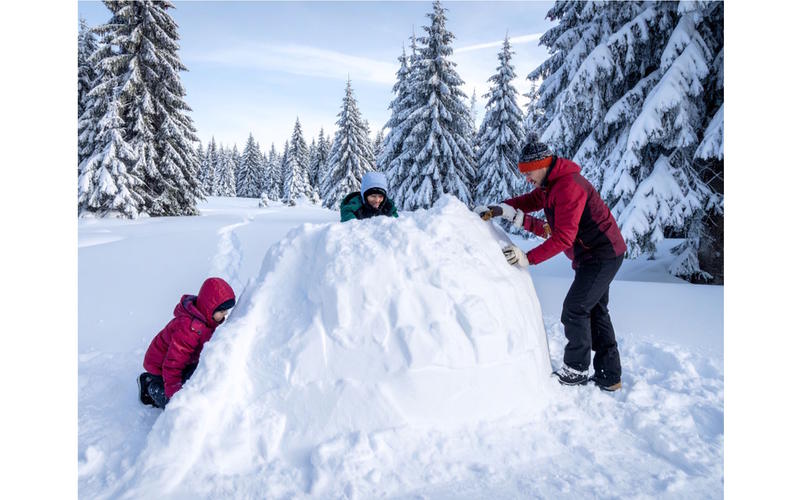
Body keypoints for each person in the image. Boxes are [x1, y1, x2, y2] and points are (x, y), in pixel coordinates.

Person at [475, 139, 627, 391]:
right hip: (592, 255)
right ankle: (609, 376)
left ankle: (576, 369)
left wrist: (528, 258)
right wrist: (501, 208)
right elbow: (529, 202)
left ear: (542, 165)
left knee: (575, 309)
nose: (527, 178)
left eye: (529, 172)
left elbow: (563, 236)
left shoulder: (568, 187)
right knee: (595, 311)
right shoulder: (551, 186)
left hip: (602, 254)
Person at [137, 277, 236, 408]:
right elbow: (172, 364)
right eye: (222, 311)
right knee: (175, 403)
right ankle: (149, 386)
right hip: (160, 367)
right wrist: (174, 395)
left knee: (195, 378)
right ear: (210, 307)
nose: (225, 315)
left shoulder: (207, 319)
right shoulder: (189, 330)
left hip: (185, 361)